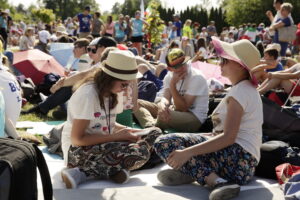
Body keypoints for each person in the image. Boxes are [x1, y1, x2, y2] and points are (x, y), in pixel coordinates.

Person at [154, 37, 263, 200]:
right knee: (181, 143)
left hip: (237, 159)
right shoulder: (244, 89)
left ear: (240, 65)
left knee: (163, 143)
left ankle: (217, 181)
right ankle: (197, 173)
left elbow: (228, 138)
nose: (220, 63)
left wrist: (187, 153)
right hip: (241, 163)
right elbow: (225, 136)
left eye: (225, 60)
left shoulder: (240, 92)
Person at [60, 50, 162, 188]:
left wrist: (129, 131)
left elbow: (109, 123)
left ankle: (110, 169)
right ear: (110, 78)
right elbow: (77, 139)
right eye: (124, 85)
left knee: (155, 133)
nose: (126, 90)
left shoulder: (114, 91)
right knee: (141, 152)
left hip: (103, 143)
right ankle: (81, 172)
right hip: (79, 151)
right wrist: (116, 137)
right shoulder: (88, 95)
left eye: (129, 85)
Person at [134, 48, 208, 132]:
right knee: (137, 103)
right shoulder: (169, 76)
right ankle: (150, 126)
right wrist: (162, 105)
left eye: (183, 63)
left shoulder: (197, 77)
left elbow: (183, 108)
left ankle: (152, 128)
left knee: (164, 115)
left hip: (194, 117)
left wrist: (173, 85)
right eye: (177, 66)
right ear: (169, 69)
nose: (182, 68)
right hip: (175, 110)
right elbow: (166, 97)